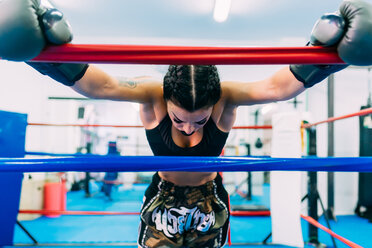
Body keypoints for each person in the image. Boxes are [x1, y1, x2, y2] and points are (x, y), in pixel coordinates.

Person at [1, 0, 372, 247]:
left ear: (215, 104)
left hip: (210, 201)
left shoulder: (226, 94)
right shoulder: (151, 94)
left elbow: (278, 88)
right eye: (179, 119)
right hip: (163, 199)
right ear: (166, 101)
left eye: (200, 120)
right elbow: (99, 86)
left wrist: (327, 54)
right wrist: (41, 54)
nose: (191, 128)